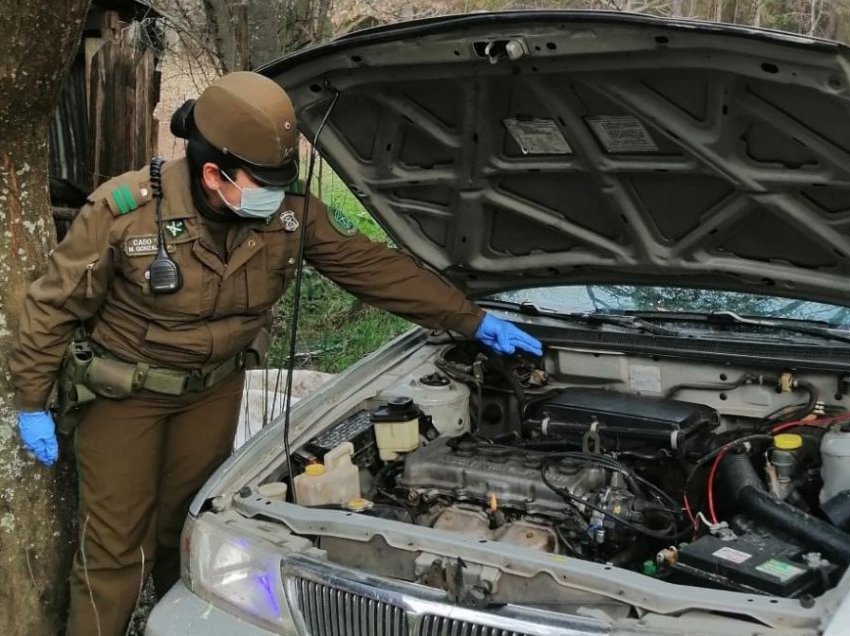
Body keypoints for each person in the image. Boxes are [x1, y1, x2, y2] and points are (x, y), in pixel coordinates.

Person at [8, 71, 542, 636]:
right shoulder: (125, 213)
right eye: (261, 182)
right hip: (127, 395)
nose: (277, 194)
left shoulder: (286, 211)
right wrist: (31, 399)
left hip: (214, 390)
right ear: (213, 174)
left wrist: (469, 317)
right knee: (116, 550)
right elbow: (52, 305)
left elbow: (369, 266)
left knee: (188, 529)